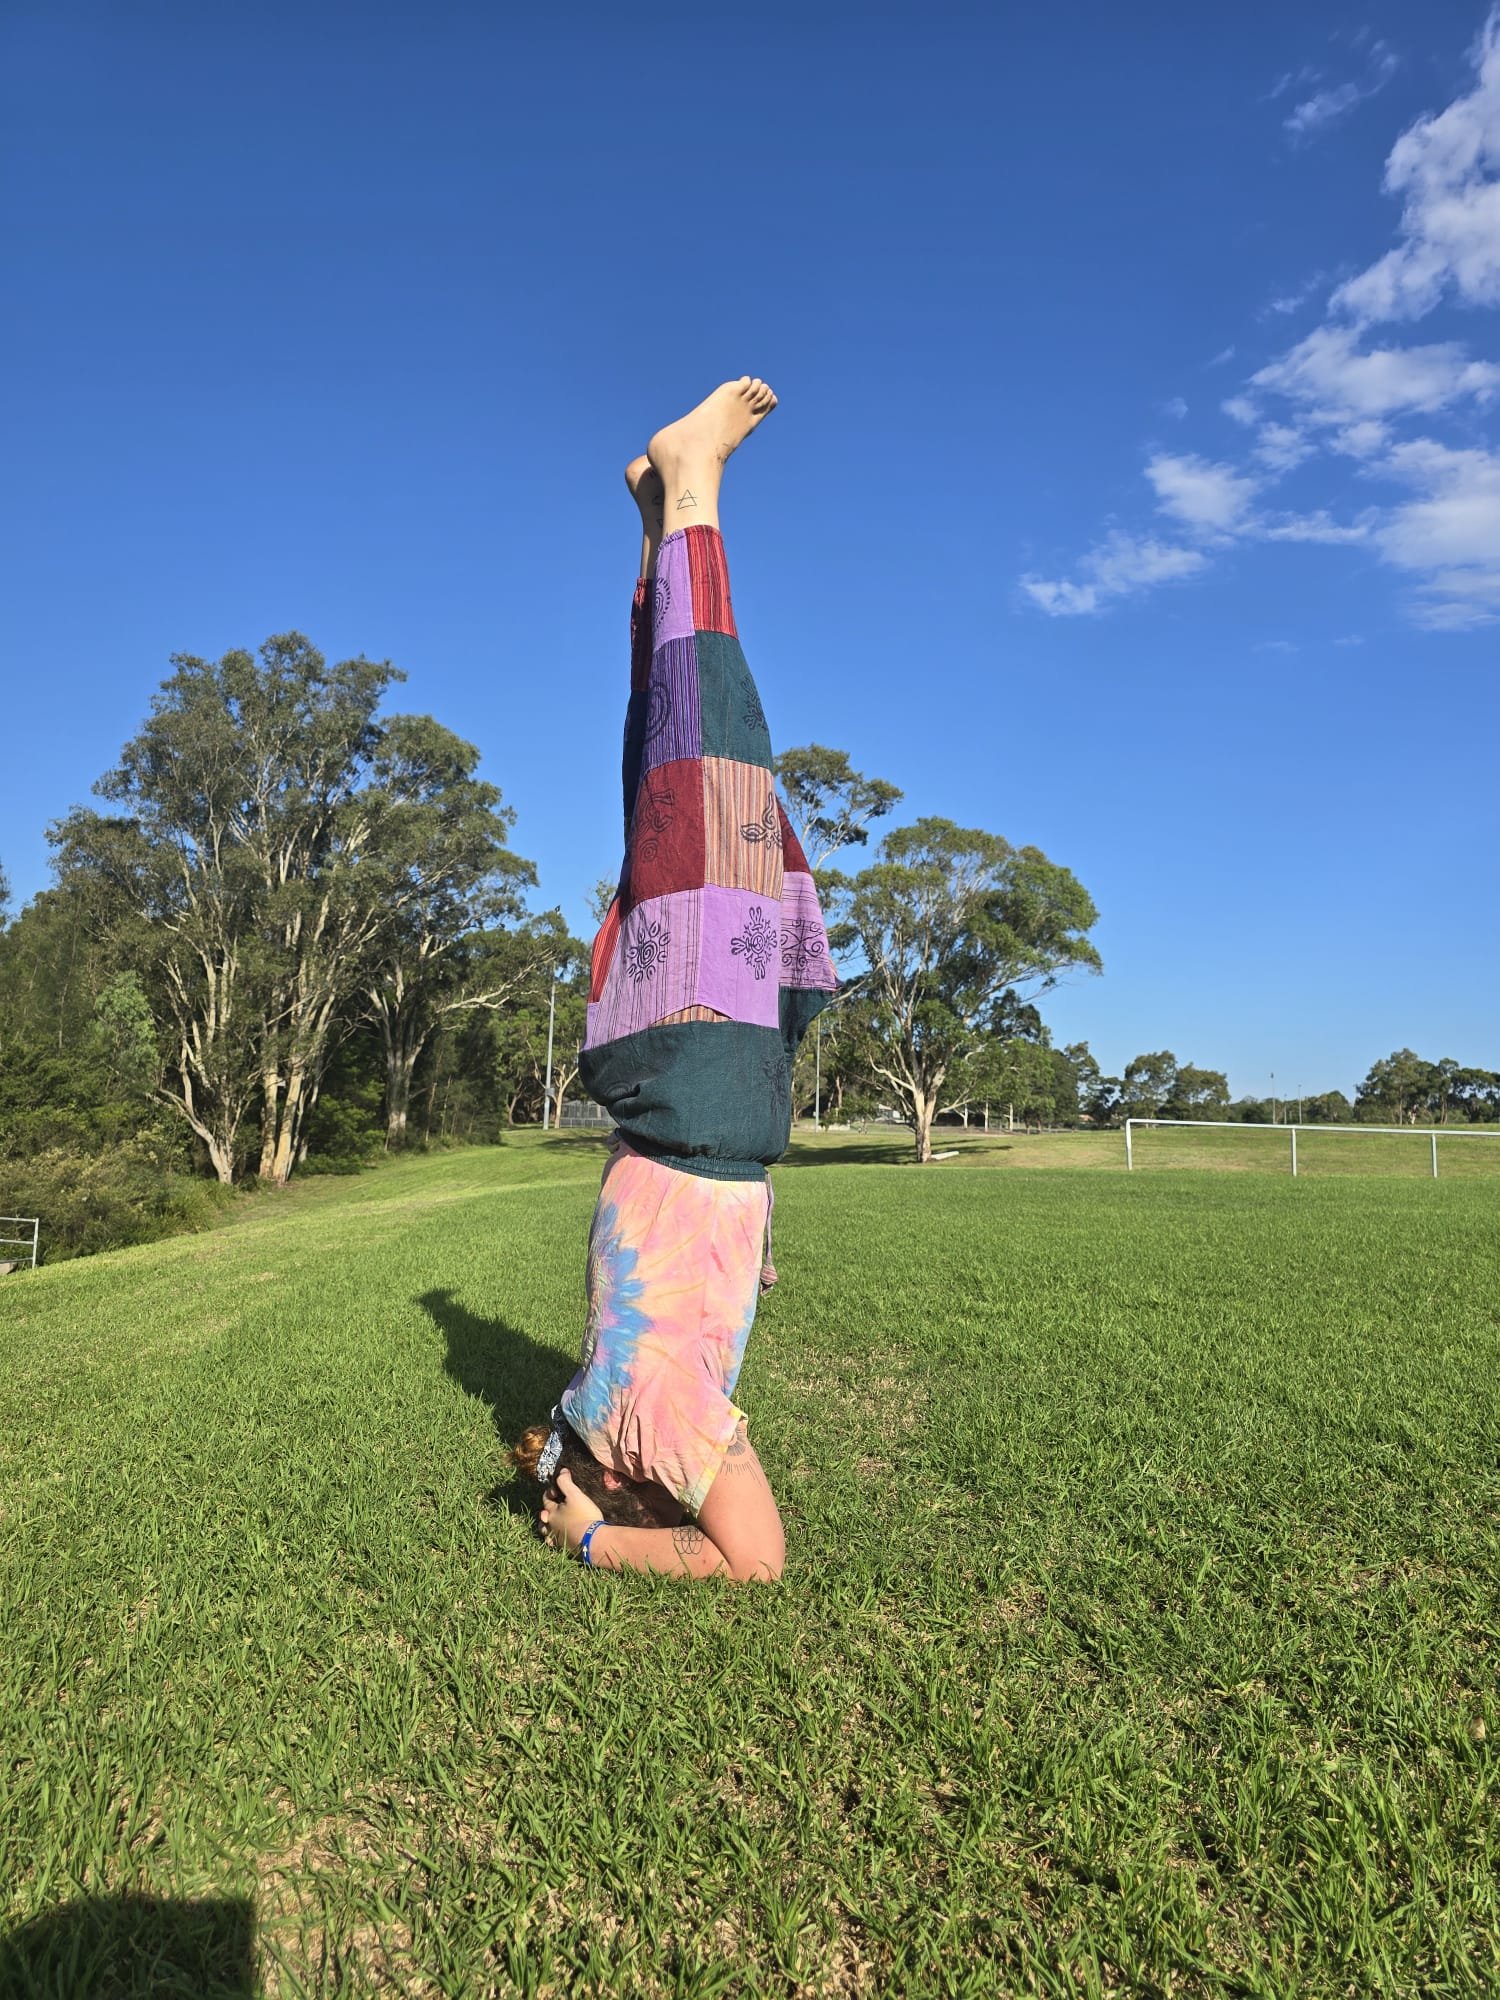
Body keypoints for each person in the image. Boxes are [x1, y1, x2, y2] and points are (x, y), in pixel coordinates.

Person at [528, 376, 836, 1580]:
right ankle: (657, 525)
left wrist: (597, 1539)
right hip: (670, 1091)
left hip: (702, 1074)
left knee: (714, 756)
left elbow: (754, 1562)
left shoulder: (651, 1413)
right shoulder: (596, 1394)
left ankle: (692, 481)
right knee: (665, 776)